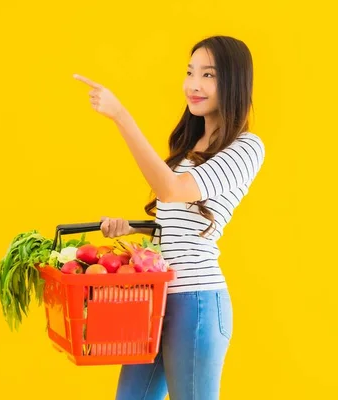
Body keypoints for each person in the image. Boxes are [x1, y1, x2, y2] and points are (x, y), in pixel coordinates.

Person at [74, 35, 265, 400]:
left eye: (208, 75)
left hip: (195, 301)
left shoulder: (246, 147)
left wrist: (121, 116)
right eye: (191, 72)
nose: (194, 84)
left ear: (234, 82)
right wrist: (132, 229)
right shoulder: (187, 150)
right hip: (153, 299)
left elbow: (173, 190)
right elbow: (178, 221)